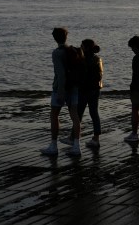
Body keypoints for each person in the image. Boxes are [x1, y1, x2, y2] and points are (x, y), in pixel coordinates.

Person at [41, 27, 80, 156]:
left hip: (60, 88)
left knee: (54, 115)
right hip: (74, 87)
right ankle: (76, 146)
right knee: (75, 116)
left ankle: (53, 146)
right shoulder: (73, 50)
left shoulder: (57, 53)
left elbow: (61, 74)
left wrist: (61, 91)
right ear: (66, 37)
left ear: (54, 38)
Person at [77, 39, 104, 150]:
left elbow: (81, 75)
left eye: (82, 46)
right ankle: (96, 138)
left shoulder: (83, 59)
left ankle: (74, 137)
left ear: (86, 48)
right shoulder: (98, 58)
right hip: (95, 89)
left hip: (85, 90)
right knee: (94, 113)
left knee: (78, 114)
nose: (80, 47)